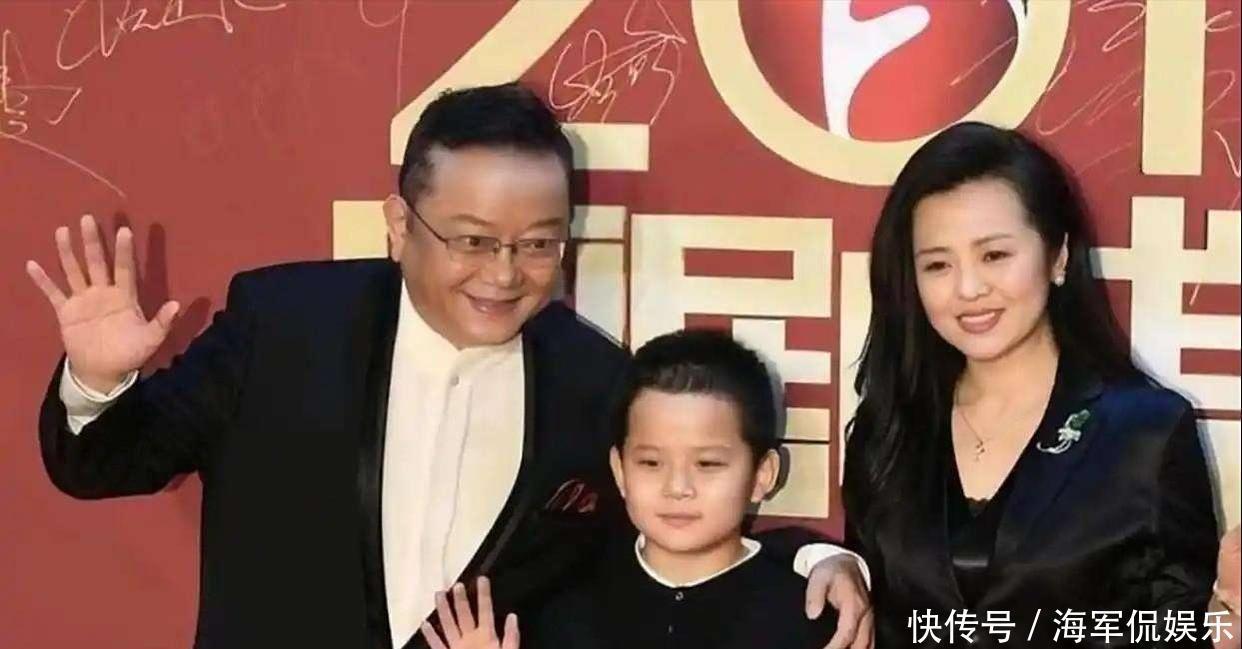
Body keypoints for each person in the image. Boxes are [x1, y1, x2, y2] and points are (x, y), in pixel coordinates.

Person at [27, 82, 871, 649]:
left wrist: (819, 559)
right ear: (400, 225)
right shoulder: (283, 325)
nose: (504, 274)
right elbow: (103, 464)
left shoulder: (593, 381)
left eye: (537, 244)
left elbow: (673, 541)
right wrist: (95, 383)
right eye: (472, 240)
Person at [842, 121, 1229, 647]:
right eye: (937, 265)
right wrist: (826, 561)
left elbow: (1184, 629)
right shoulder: (888, 426)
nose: (968, 288)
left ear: (1058, 257)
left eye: (995, 255)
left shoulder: (1148, 431)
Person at [422, 329, 838, 649]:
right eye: (651, 463)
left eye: (708, 464)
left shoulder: (811, 615)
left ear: (763, 474)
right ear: (619, 471)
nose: (677, 487)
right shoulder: (562, 610)